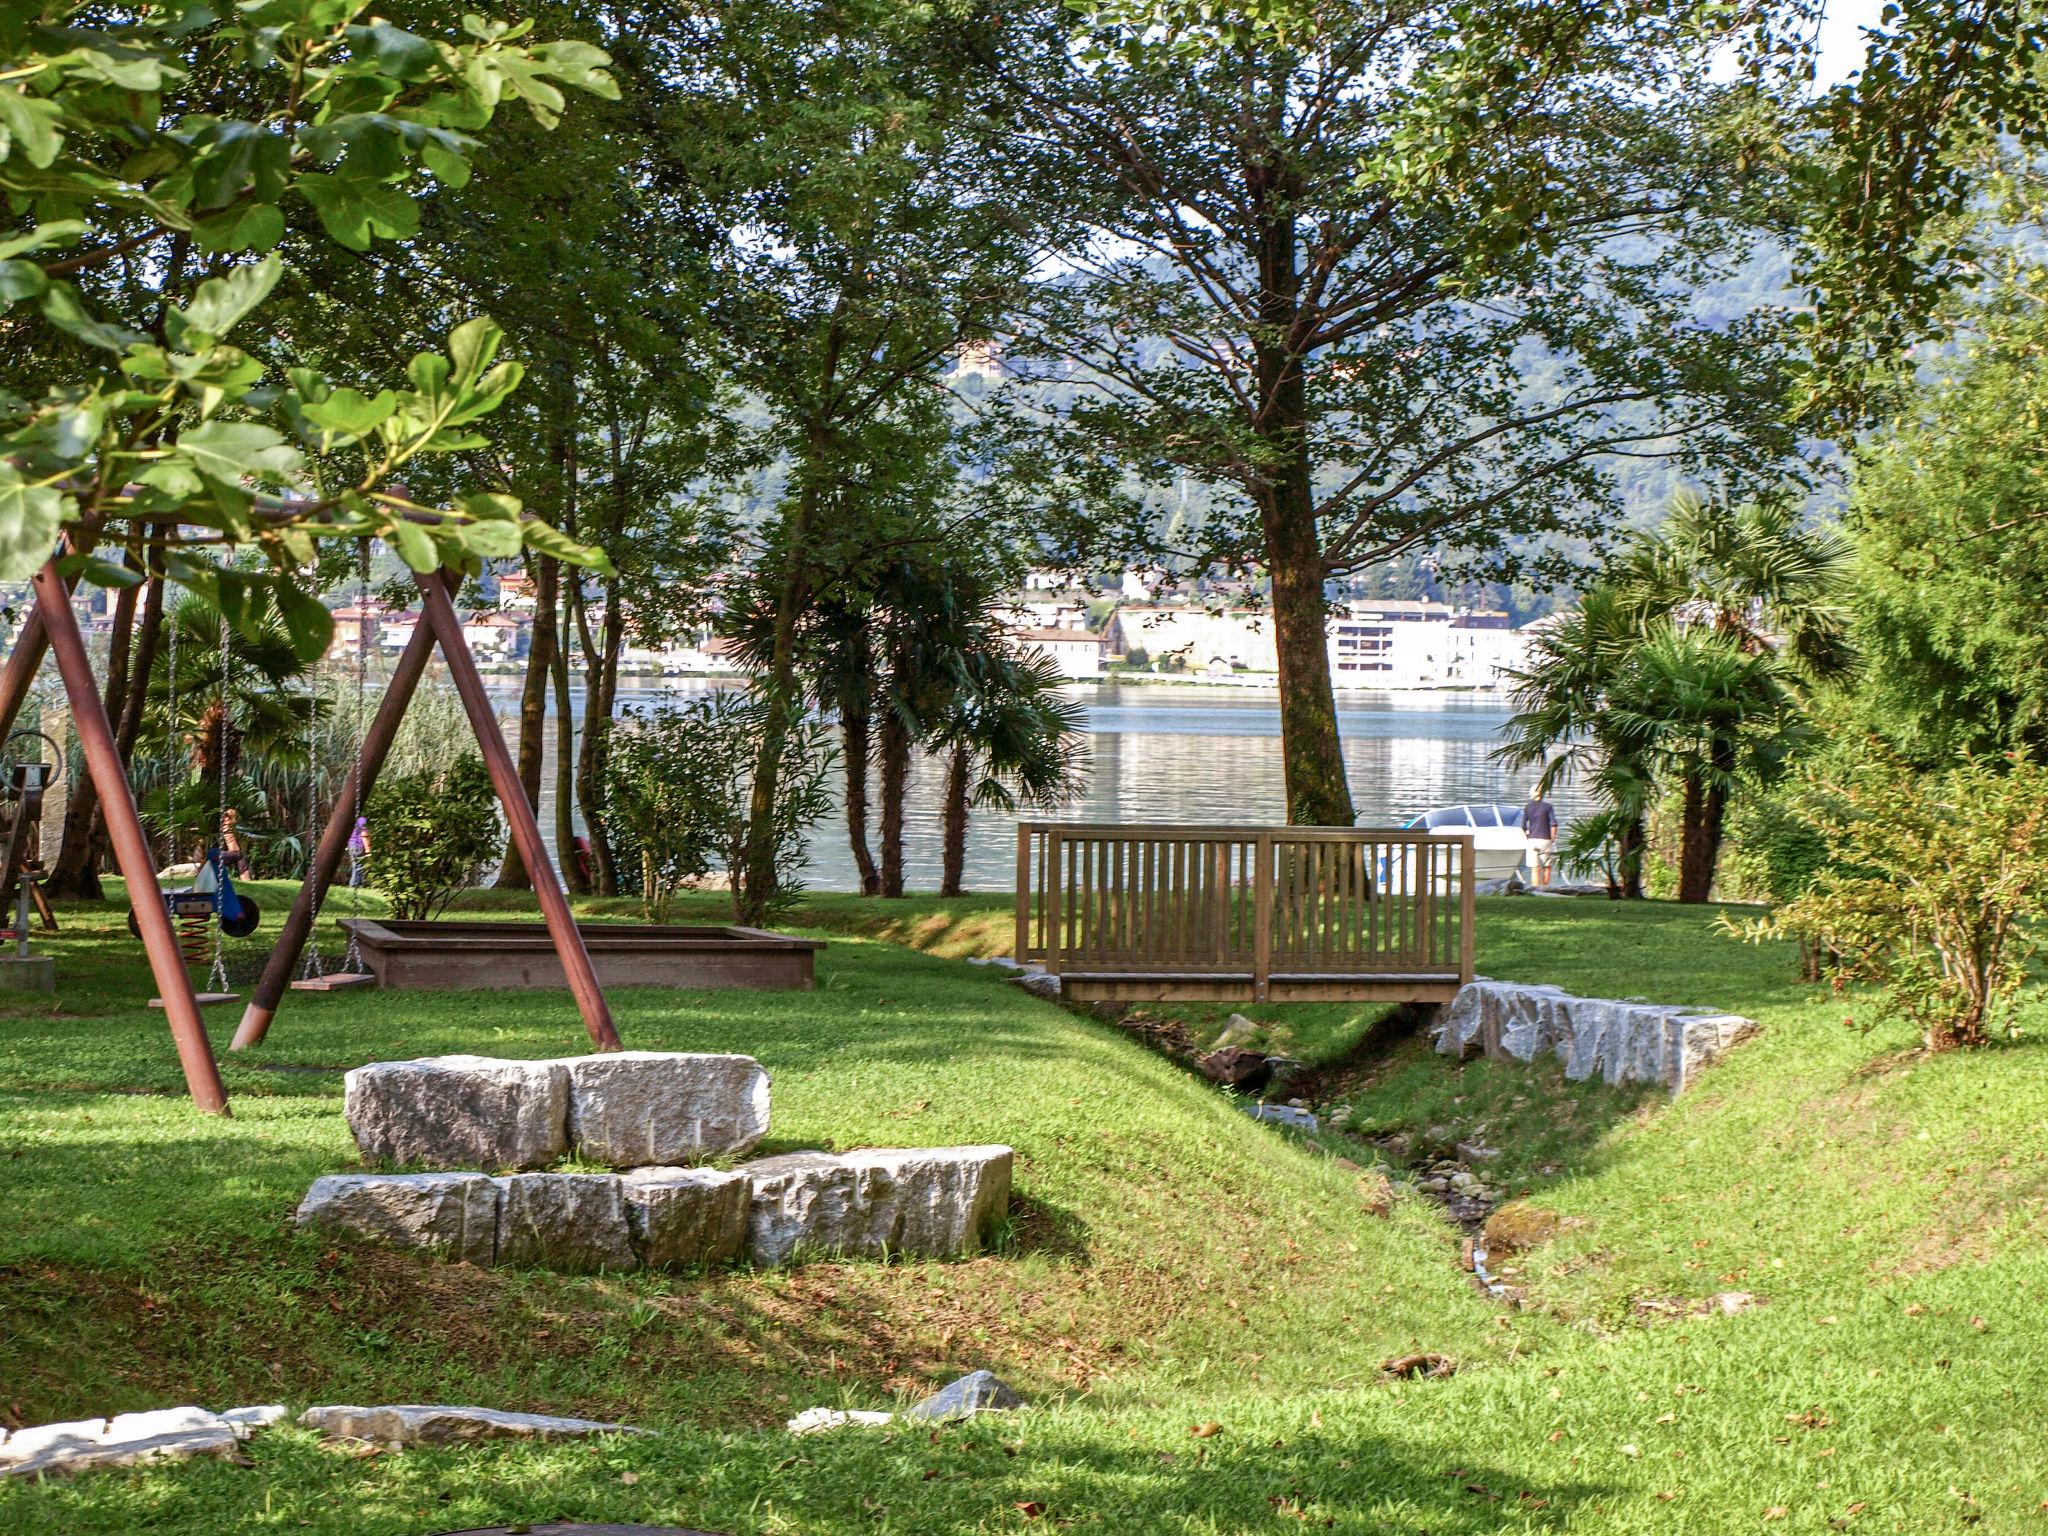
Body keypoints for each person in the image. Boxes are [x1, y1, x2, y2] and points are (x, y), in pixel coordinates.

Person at [1521, 785, 1557, 888]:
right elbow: (1554, 823)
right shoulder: (1548, 807)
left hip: (1532, 840)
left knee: (1535, 868)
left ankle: (1536, 889)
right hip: (1546, 840)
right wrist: (1553, 839)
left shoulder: (1528, 807)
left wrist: (1528, 835)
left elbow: (1523, 826)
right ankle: (1546, 889)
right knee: (1547, 866)